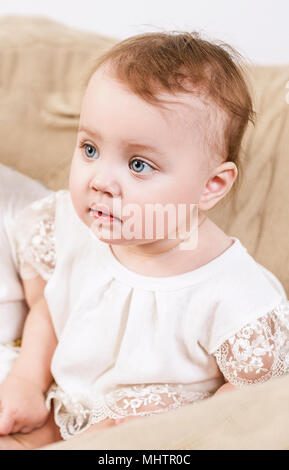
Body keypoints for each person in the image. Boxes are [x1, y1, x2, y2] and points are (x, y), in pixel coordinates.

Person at [0, 31, 288, 450]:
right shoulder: (77, 231)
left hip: (152, 442)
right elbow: (50, 306)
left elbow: (249, 402)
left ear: (211, 185)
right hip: (63, 409)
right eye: (90, 148)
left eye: (139, 164)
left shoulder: (235, 293)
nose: (100, 181)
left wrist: (159, 435)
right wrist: (26, 381)